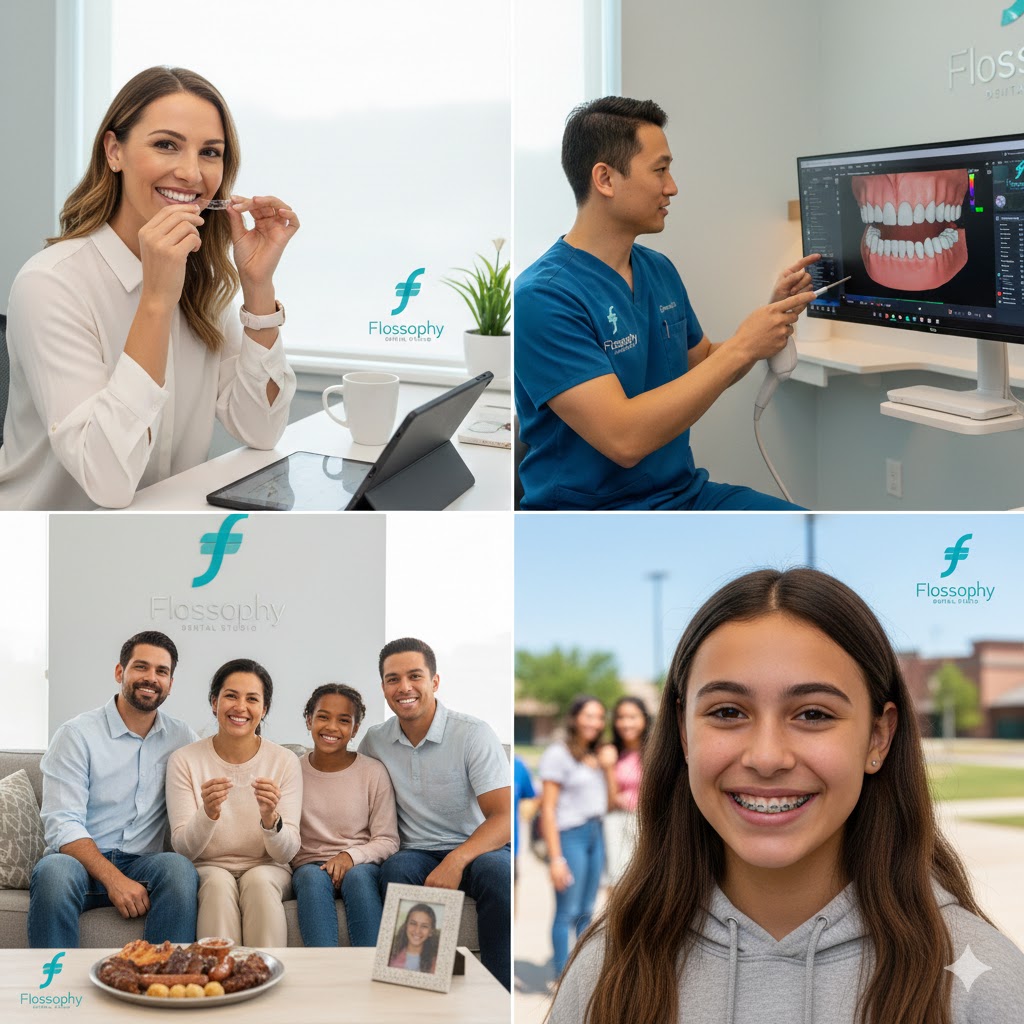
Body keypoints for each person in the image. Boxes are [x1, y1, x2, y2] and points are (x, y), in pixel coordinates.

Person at [548, 568, 1024, 1024]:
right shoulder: (606, 972)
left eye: (813, 714)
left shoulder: (984, 984)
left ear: (878, 737)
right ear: (684, 732)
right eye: (728, 712)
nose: (767, 757)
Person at [0, 65, 298, 510]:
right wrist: (156, 301)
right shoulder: (50, 285)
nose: (191, 173)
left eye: (210, 152)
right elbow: (107, 481)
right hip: (48, 541)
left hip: (155, 535)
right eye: (166, 145)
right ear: (114, 151)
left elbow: (262, 427)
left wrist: (257, 287)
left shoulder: (201, 281)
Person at [514, 96, 818, 511]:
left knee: (819, 532)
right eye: (660, 170)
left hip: (683, 495)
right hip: (594, 517)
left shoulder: (658, 269)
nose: (672, 187)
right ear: (605, 179)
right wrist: (745, 345)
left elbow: (703, 363)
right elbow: (624, 439)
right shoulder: (543, 297)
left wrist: (767, 322)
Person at [359, 638, 512, 990]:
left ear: (435, 681)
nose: (404, 687)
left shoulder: (473, 734)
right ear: (383, 688)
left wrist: (456, 861)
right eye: (393, 679)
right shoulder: (375, 741)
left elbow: (504, 818)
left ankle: (499, 993)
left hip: (478, 847)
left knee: (498, 874)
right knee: (396, 869)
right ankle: (417, 991)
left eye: (415, 676)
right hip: (415, 851)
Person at [28, 631, 198, 947]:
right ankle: (54, 978)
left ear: (170, 684)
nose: (151, 678)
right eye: (141, 667)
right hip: (78, 865)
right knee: (54, 873)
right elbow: (62, 823)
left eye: (161, 671)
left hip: (143, 864)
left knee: (179, 869)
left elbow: (215, 768)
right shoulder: (76, 735)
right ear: (120, 672)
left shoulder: (181, 737)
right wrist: (114, 879)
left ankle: (163, 975)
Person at [166, 658, 301, 947]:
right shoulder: (184, 760)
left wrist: (271, 819)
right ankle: (221, 972)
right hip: (207, 867)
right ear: (214, 702)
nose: (240, 707)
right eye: (231, 696)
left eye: (252, 699)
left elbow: (286, 853)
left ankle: (265, 970)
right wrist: (208, 813)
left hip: (269, 867)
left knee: (259, 883)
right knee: (216, 884)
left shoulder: (285, 761)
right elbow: (183, 849)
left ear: (264, 709)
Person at [291, 683, 399, 946]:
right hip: (310, 865)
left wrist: (350, 856)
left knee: (359, 879)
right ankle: (323, 966)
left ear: (355, 729)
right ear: (309, 720)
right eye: (323, 717)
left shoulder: (373, 772)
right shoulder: (291, 771)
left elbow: (388, 839)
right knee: (310, 878)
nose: (331, 727)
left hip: (360, 864)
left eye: (343, 720)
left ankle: (369, 963)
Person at [538, 696, 613, 980]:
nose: (595, 722)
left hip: (596, 833)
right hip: (571, 836)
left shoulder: (596, 755)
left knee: (587, 910)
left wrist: (607, 766)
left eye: (599, 717)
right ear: (574, 718)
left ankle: (581, 976)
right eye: (589, 716)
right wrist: (556, 859)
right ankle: (562, 977)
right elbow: (547, 809)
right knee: (567, 910)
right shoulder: (558, 754)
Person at [598, 696, 650, 885]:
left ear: (644, 719)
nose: (626, 724)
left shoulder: (656, 751)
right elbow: (609, 801)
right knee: (618, 879)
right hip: (618, 820)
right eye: (621, 718)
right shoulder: (610, 752)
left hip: (649, 821)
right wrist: (608, 768)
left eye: (632, 717)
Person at [388, 903, 440, 973]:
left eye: (424, 926)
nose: (417, 931)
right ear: (406, 926)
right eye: (413, 923)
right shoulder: (390, 957)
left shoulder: (437, 963)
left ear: (431, 932)